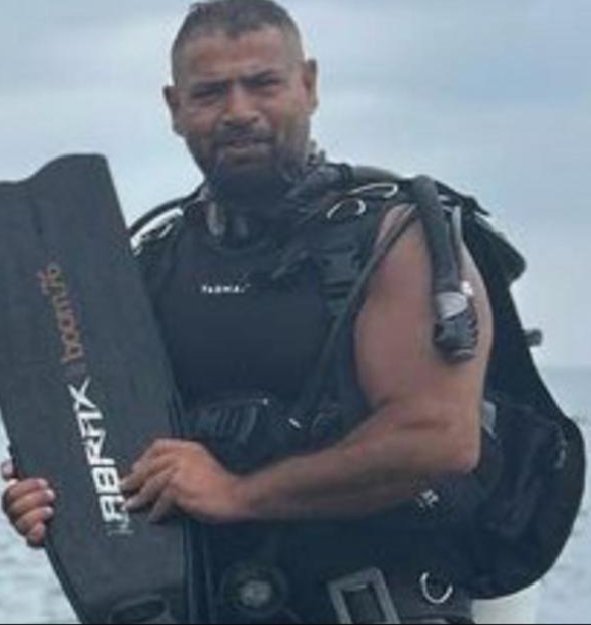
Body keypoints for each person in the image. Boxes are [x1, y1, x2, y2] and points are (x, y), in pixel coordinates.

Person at [1, 1, 584, 623]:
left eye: (263, 83)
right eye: (210, 92)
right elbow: (118, 451)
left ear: (308, 84)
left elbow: (437, 439)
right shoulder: (157, 262)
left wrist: (238, 493)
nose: (238, 110)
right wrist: (67, 500)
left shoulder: (390, 241)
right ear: (174, 107)